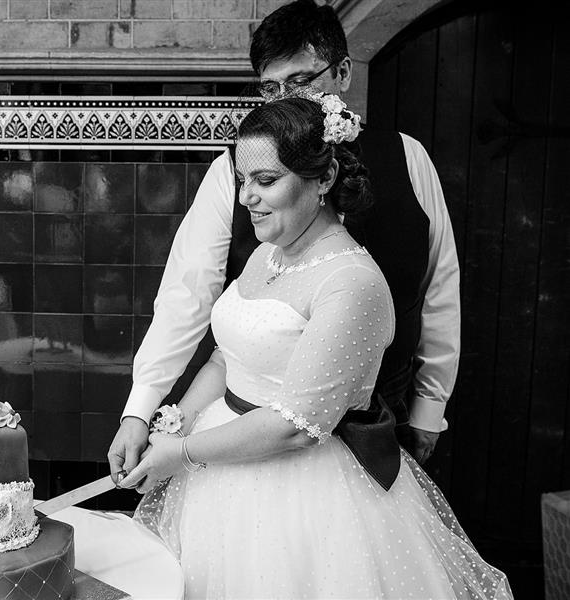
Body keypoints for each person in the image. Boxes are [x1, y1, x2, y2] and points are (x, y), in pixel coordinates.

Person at [118, 95, 510, 599]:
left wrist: (184, 452)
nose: (246, 198)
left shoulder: (351, 282)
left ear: (323, 180)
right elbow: (225, 357)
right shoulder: (267, 254)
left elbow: (295, 427)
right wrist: (169, 424)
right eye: (242, 180)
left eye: (265, 181)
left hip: (306, 495)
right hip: (221, 468)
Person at [108, 0, 460, 481]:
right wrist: (141, 407)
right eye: (270, 88)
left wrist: (429, 404)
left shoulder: (408, 158)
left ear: (342, 73)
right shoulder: (232, 173)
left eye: (299, 82)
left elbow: (438, 287)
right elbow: (186, 294)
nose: (282, 100)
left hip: (377, 423)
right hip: (251, 439)